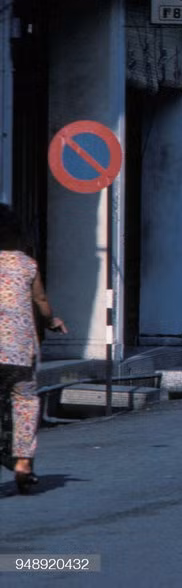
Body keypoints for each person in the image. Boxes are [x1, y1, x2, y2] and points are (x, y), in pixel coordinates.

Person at [0, 205, 67, 494]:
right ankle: (24, 462)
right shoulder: (27, 265)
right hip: (19, 354)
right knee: (25, 402)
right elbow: (40, 301)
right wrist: (53, 320)